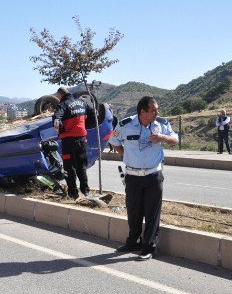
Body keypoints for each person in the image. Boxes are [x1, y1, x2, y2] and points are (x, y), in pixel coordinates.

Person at [109, 96, 179, 261]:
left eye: (157, 109)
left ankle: (148, 247)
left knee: (152, 213)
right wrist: (126, 155)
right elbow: (114, 141)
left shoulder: (161, 124)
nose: (157, 113)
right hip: (133, 176)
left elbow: (175, 140)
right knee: (133, 212)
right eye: (153, 110)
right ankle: (133, 241)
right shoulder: (126, 124)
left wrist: (163, 138)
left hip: (153, 175)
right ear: (143, 112)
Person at [52, 87, 95, 200]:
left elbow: (57, 118)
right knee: (82, 166)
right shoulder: (81, 102)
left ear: (60, 95)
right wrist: (87, 125)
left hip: (69, 141)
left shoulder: (63, 104)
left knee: (69, 168)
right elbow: (93, 113)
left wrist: (58, 124)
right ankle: (86, 191)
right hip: (82, 140)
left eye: (58, 97)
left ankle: (73, 194)